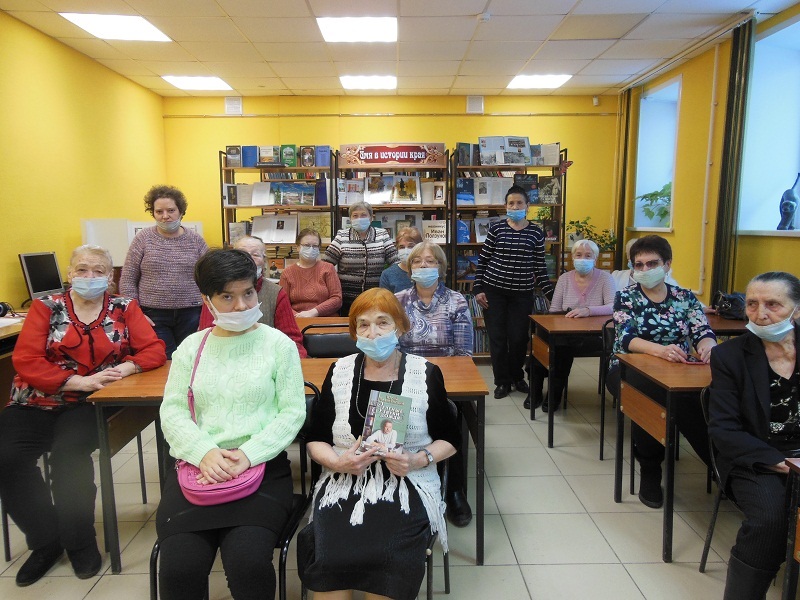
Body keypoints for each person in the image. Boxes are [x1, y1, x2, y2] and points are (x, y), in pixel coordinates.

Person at [0, 245, 166, 587]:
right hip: (35, 400)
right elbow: (27, 359)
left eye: (99, 271)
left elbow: (154, 349)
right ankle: (45, 541)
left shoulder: (124, 307)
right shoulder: (45, 307)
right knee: (7, 458)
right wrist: (75, 380)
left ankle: (79, 542)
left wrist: (126, 368)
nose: (90, 276)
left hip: (90, 402)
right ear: (69, 274)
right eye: (82, 270)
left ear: (110, 277)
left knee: (68, 457)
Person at [157, 248, 306, 600]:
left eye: (248, 293)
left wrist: (248, 454)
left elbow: (292, 413)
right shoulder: (191, 348)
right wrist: (204, 452)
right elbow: (173, 411)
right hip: (198, 469)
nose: (241, 306)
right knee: (179, 568)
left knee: (248, 563)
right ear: (207, 301)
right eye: (227, 297)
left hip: (261, 468)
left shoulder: (278, 345)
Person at [297, 288, 460, 600]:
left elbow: (450, 440)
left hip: (407, 483)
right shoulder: (339, 372)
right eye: (364, 325)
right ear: (355, 332)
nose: (373, 333)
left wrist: (417, 460)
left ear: (400, 326)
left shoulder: (425, 374)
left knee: (388, 562)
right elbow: (316, 438)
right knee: (331, 561)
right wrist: (337, 462)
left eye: (383, 322)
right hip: (344, 480)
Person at [605, 235, 716, 509]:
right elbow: (626, 338)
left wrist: (708, 346)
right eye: (638, 264)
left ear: (667, 264)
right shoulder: (626, 297)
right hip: (627, 368)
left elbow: (702, 331)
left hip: (678, 370)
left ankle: (721, 465)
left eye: (652, 263)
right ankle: (651, 469)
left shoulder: (684, 297)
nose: (645, 269)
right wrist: (660, 350)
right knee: (651, 397)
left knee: (697, 396)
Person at [708, 271, 800, 599]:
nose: (760, 314)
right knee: (769, 520)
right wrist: (784, 464)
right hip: (756, 457)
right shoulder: (729, 356)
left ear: (797, 309)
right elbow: (724, 429)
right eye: (752, 304)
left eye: (773, 304)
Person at [395, 240, 474, 527]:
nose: (423, 266)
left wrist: (434, 380)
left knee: (449, 416)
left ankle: (454, 490)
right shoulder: (398, 300)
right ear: (409, 268)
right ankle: (400, 480)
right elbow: (392, 345)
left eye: (430, 261)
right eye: (417, 261)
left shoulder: (456, 300)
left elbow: (464, 352)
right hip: (404, 375)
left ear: (441, 267)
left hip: (445, 377)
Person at [474, 185, 555, 399]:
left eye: (519, 203)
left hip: (522, 294)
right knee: (498, 338)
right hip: (494, 292)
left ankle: (517, 376)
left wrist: (553, 298)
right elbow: (483, 260)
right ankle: (502, 381)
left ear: (528, 206)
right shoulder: (496, 229)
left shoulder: (536, 233)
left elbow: (540, 268)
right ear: (505, 206)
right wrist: (478, 289)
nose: (515, 206)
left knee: (519, 338)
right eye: (511, 203)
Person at [120, 185, 208, 359]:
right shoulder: (142, 239)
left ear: (181, 211)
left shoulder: (196, 241)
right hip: (153, 315)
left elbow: (209, 277)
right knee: (163, 360)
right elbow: (128, 279)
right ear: (153, 213)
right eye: (159, 211)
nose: (165, 216)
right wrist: (136, 313)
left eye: (171, 210)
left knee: (190, 359)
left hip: (191, 313)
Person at [528, 239, 616, 412]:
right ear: (572, 257)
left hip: (593, 336)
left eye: (588, 256)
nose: (583, 259)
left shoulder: (606, 278)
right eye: (579, 255)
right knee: (539, 342)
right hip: (564, 331)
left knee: (561, 348)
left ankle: (554, 394)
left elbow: (613, 307)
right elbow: (554, 310)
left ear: (595, 259)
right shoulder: (564, 279)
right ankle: (535, 391)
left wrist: (588, 310)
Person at [197, 236, 307, 358]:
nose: (241, 306)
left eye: (255, 255)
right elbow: (206, 338)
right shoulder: (214, 294)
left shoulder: (276, 293)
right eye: (227, 297)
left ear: (264, 260)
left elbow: (293, 341)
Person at [323, 201, 397, 315]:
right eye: (355, 215)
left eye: (363, 215)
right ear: (350, 219)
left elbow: (396, 263)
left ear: (371, 218)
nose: (359, 218)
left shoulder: (382, 235)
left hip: (375, 298)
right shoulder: (342, 236)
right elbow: (325, 265)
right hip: (347, 298)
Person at [279, 228, 342, 317]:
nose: (311, 249)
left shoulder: (328, 268)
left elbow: (337, 299)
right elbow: (283, 303)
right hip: (297, 319)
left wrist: (313, 312)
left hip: (326, 319)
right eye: (307, 245)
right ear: (298, 247)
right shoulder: (287, 273)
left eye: (315, 246)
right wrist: (298, 316)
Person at [380, 226, 422, 293]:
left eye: (411, 246)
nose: (406, 251)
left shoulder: (426, 271)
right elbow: (385, 299)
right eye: (401, 247)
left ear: (419, 247)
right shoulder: (387, 274)